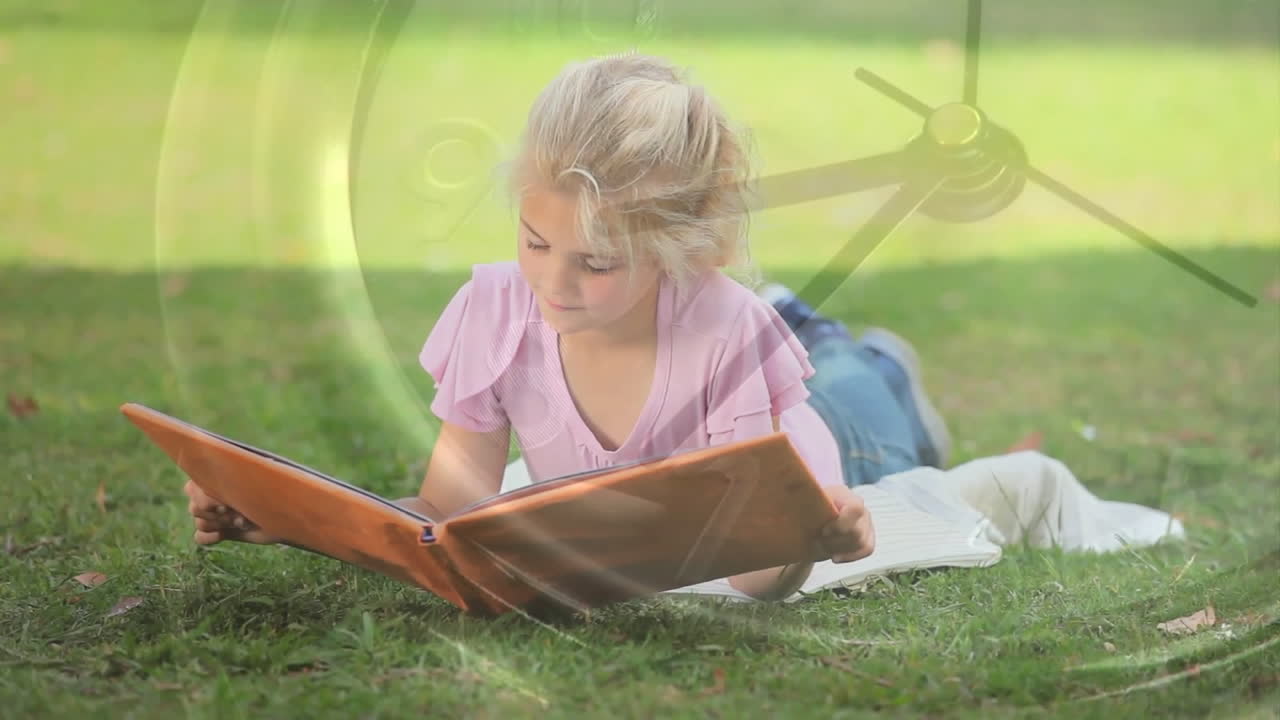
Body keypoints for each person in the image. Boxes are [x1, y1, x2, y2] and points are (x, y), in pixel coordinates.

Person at [182, 51, 955, 602]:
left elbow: (754, 576)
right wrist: (289, 518)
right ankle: (814, 330)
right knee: (784, 334)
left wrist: (811, 534)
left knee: (862, 402)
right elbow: (445, 516)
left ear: (670, 250)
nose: (553, 284)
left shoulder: (728, 333)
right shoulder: (495, 313)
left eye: (595, 261)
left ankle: (879, 363)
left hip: (836, 421)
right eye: (535, 242)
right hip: (702, 312)